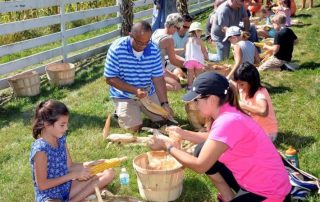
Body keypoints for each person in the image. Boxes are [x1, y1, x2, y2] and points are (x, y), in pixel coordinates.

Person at [148, 71, 291, 201]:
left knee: (202, 156)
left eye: (196, 100)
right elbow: (214, 138)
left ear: (211, 99)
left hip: (271, 194)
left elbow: (200, 166)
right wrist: (183, 133)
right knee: (200, 149)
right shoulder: (228, 113)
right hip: (259, 182)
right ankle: (228, 197)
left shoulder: (227, 122)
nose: (195, 104)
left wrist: (168, 146)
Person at [30, 100, 115, 202]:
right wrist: (72, 176)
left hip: (66, 188)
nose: (66, 128)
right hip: (49, 196)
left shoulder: (60, 138)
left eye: (66, 124)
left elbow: (70, 166)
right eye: (62, 125)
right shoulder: (40, 150)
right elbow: (42, 185)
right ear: (47, 124)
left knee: (109, 173)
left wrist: (88, 164)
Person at [104, 21, 173, 132]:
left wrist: (164, 103)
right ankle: (119, 112)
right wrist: (135, 90)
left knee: (166, 119)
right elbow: (110, 78)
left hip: (147, 93)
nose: (143, 46)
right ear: (130, 35)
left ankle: (138, 109)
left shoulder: (153, 49)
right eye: (140, 42)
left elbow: (158, 78)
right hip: (124, 95)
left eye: (147, 42)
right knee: (134, 128)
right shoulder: (116, 48)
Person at [234, 62, 278, 141]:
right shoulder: (242, 89)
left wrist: (243, 106)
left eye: (242, 84)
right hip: (253, 128)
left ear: (251, 82)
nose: (239, 87)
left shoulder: (260, 94)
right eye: (238, 84)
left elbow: (263, 112)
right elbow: (233, 86)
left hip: (267, 132)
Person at [152, 13, 186, 91]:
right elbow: (173, 60)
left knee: (177, 79)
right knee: (177, 87)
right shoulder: (169, 39)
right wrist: (190, 65)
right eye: (177, 28)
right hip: (156, 69)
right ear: (172, 25)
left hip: (156, 66)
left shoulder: (157, 31)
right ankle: (152, 86)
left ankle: (155, 82)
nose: (177, 31)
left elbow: (169, 52)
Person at [166, 14, 193, 80]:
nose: (186, 29)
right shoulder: (172, 35)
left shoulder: (189, 34)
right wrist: (184, 49)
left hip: (184, 60)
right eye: (184, 26)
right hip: (171, 60)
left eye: (188, 27)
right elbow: (168, 52)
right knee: (179, 73)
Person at [184, 22, 208, 89]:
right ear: (197, 31)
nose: (201, 33)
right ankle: (199, 85)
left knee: (190, 74)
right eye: (200, 31)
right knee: (198, 73)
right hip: (198, 60)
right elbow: (204, 50)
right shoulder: (199, 40)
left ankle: (190, 86)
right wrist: (206, 56)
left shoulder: (187, 40)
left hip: (189, 60)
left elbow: (185, 50)